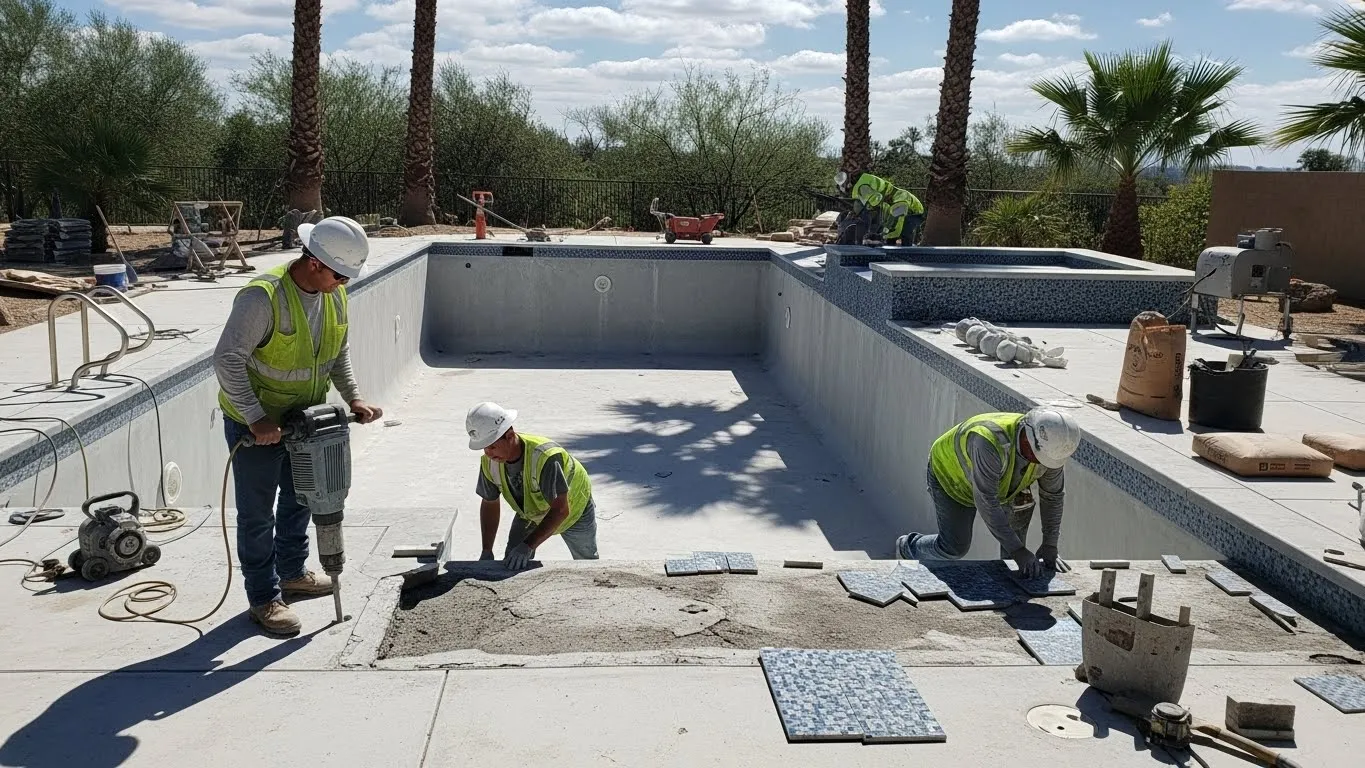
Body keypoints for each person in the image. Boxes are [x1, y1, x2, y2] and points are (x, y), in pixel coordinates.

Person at [214, 215, 383, 636]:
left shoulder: (333, 296)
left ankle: (292, 573)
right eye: (339, 275)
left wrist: (353, 397)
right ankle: (264, 598)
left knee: (300, 500)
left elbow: (336, 351)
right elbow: (227, 360)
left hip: (304, 423)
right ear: (313, 262)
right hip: (256, 427)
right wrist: (255, 418)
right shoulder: (262, 298)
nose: (343, 283)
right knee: (257, 516)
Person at [896, 407, 1081, 578]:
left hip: (1004, 484)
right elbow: (986, 500)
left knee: (1014, 554)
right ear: (1027, 437)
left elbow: (1053, 496)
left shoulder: (1051, 450)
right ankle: (907, 547)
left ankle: (1009, 585)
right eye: (1039, 457)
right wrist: (1018, 550)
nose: (1042, 463)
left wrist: (1050, 543)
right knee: (954, 547)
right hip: (952, 478)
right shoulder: (988, 441)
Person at [466, 402, 599, 569]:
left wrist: (527, 546)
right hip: (531, 514)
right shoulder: (489, 463)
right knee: (511, 563)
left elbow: (561, 510)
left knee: (588, 566)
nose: (489, 454)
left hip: (575, 510)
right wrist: (487, 551)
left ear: (509, 435)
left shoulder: (545, 457)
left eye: (492, 446)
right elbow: (489, 503)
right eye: (485, 448)